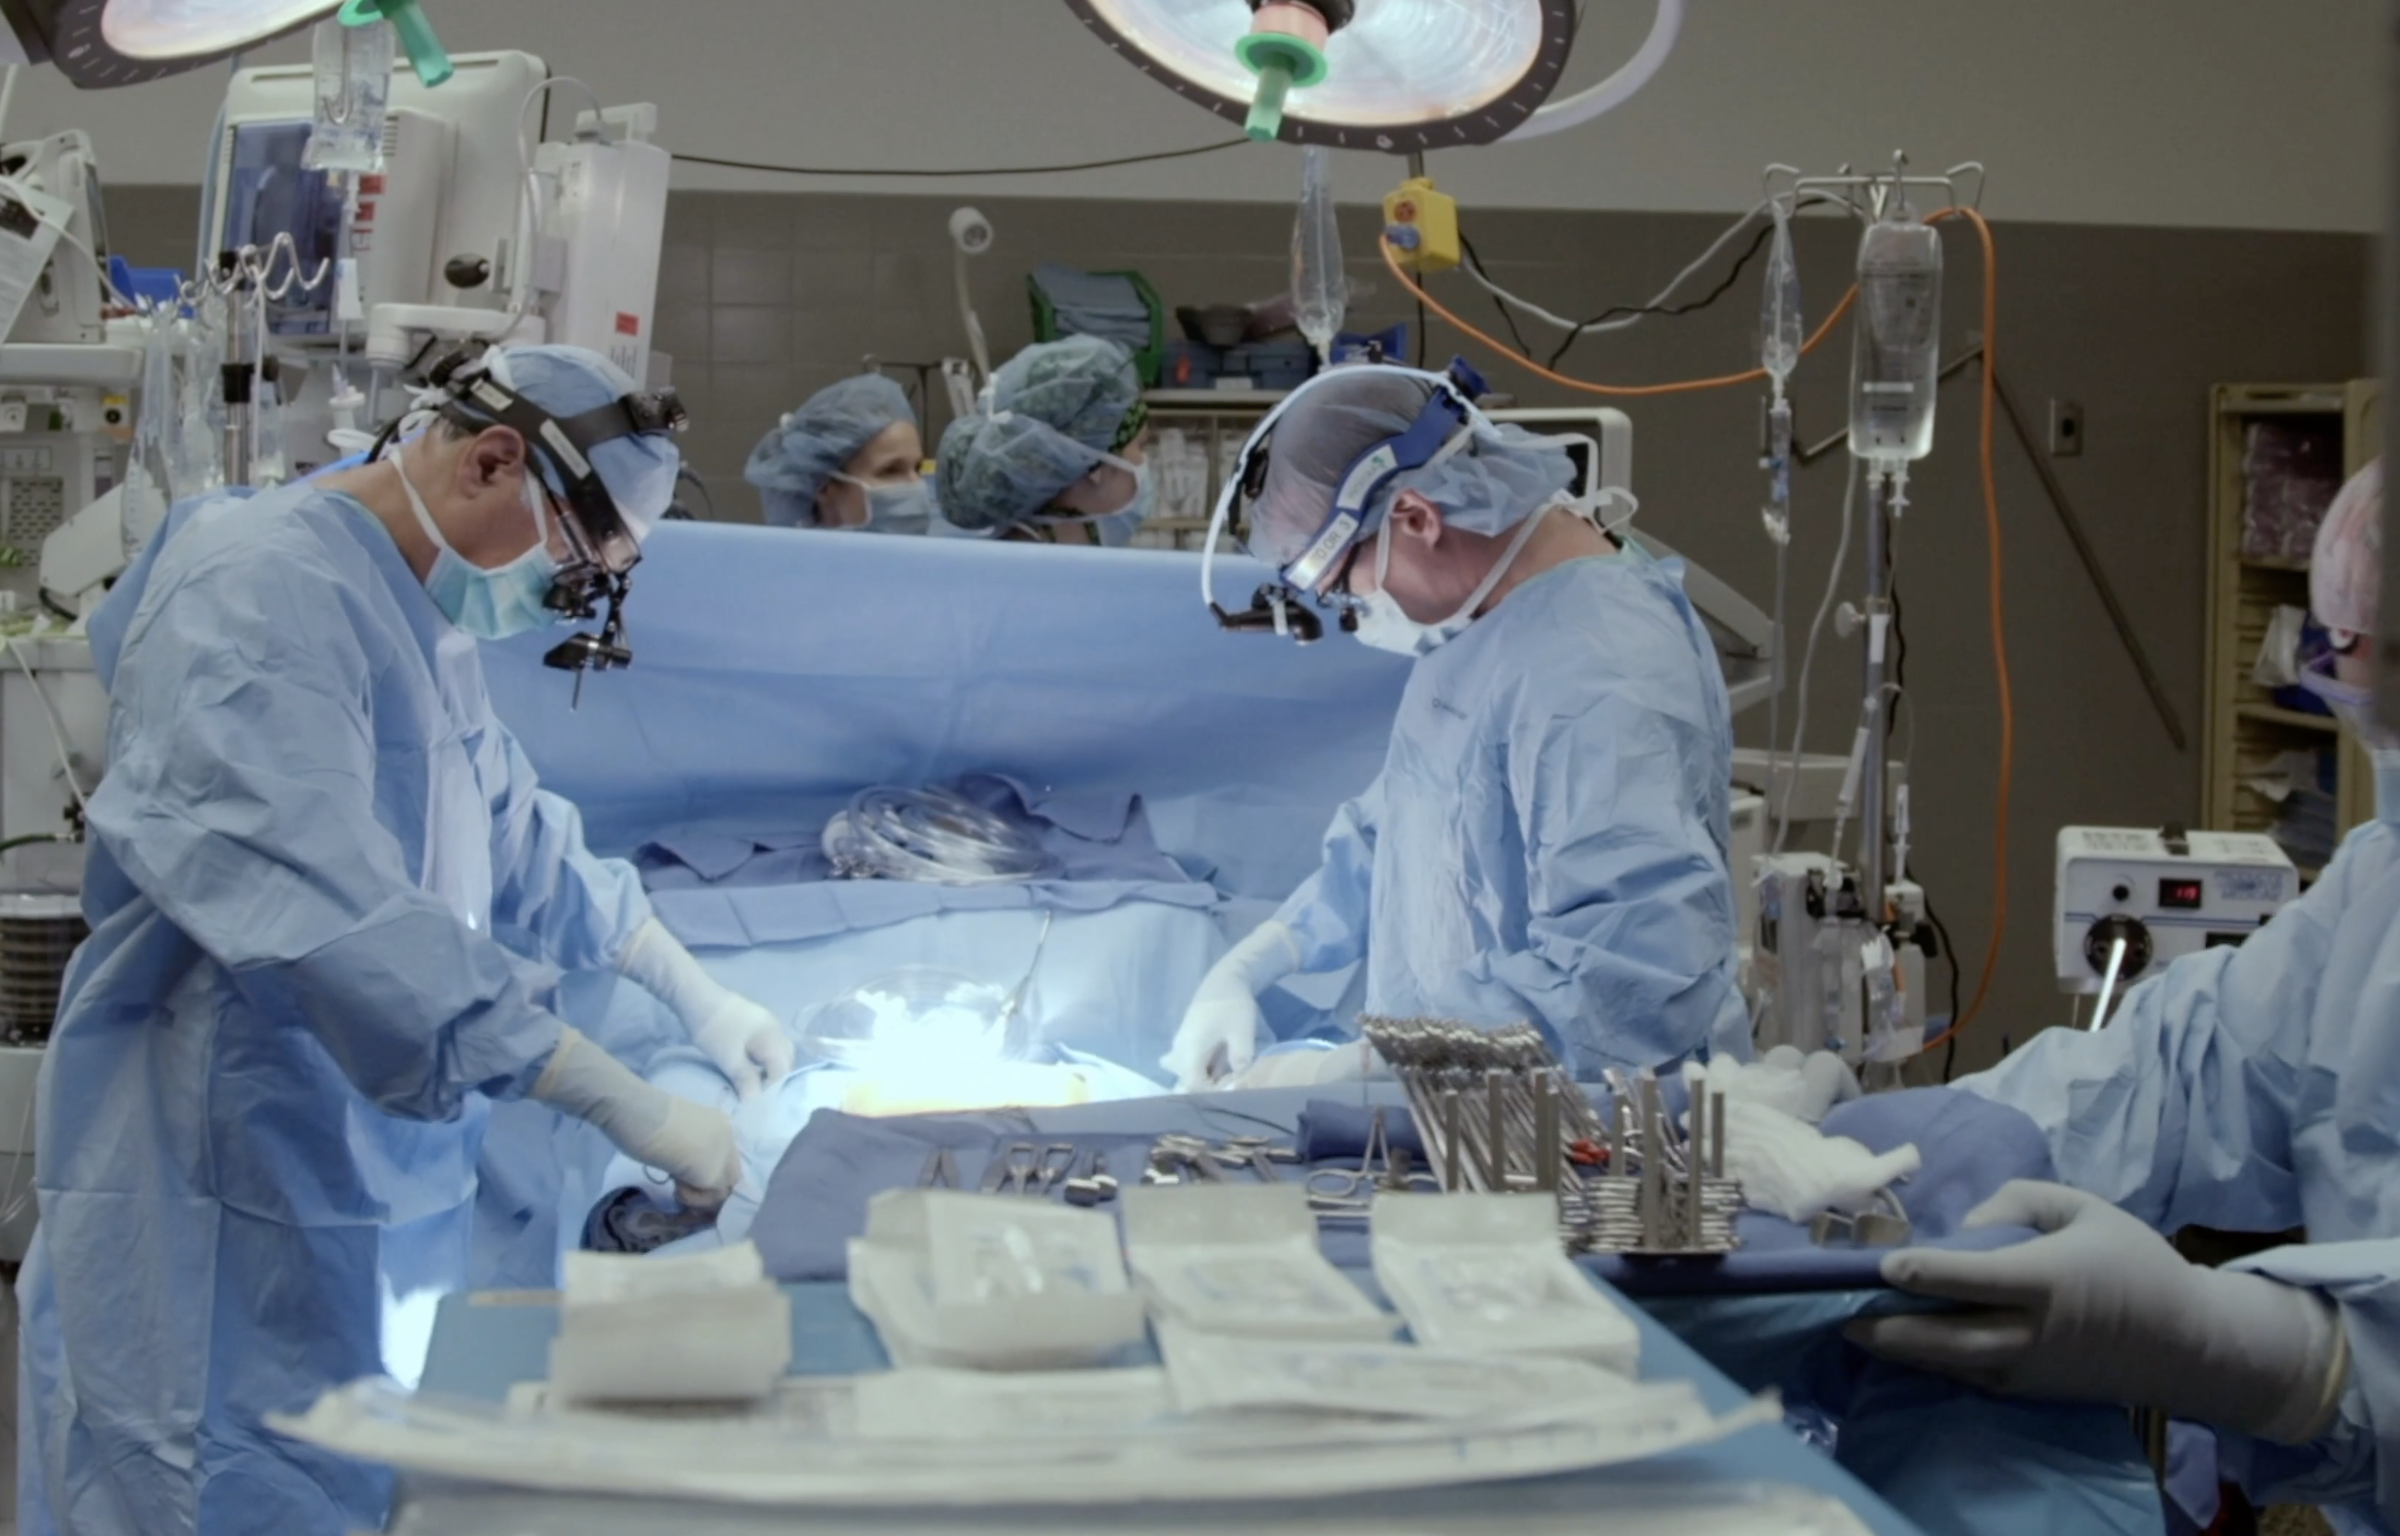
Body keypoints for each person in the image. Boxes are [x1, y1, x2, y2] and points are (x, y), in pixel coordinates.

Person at [18, 344, 796, 1536]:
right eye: (571, 566)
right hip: (220, 1172)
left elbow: (508, 823)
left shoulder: (411, 606)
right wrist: (611, 1095)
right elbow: (330, 916)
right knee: (213, 1478)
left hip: (348, 1164)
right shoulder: (255, 597)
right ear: (493, 460)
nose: (561, 597)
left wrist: (686, 986)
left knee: (348, 1484)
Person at [1855, 459, 2395, 1530]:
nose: (2352, 688)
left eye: (2369, 666)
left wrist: (2285, 1354)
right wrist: (1898, 1153)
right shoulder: (2379, 885)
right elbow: (2187, 1068)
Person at [1162, 362, 1751, 1088]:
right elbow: (1403, 831)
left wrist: (1369, 1067)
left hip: (1594, 1124)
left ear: (1415, 518)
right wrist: (1260, 959)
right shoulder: (1482, 619)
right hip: (1471, 1109)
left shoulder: (1604, 672)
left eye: (1344, 590)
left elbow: (1627, 979)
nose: (1355, 615)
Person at [935, 334, 1152, 542]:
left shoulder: (1071, 541)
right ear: (1094, 467)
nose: (1145, 462)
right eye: (1140, 447)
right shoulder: (1023, 562)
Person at [743, 373, 935, 533]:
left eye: (918, 469)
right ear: (824, 488)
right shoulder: (796, 566)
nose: (917, 485)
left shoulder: (925, 562)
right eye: (890, 470)